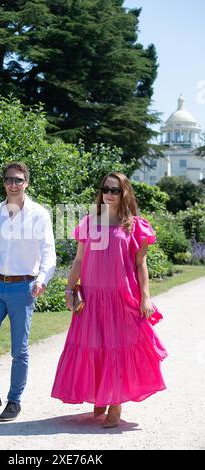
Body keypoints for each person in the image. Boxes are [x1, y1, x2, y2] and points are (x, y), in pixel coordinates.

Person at [51, 172, 168, 428]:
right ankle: (100, 396)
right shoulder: (90, 222)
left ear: (124, 192)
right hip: (92, 297)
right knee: (94, 346)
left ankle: (115, 405)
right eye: (106, 189)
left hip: (121, 297)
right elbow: (79, 261)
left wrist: (145, 297)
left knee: (117, 347)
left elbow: (140, 264)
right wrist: (70, 290)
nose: (109, 194)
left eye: (115, 190)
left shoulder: (135, 225)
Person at [0, 162, 56, 423]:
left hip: (23, 287)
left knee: (19, 349)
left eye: (18, 179)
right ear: (4, 183)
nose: (13, 184)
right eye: (9, 179)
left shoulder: (39, 214)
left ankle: (14, 401)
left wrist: (42, 279)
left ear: (26, 182)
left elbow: (48, 251)